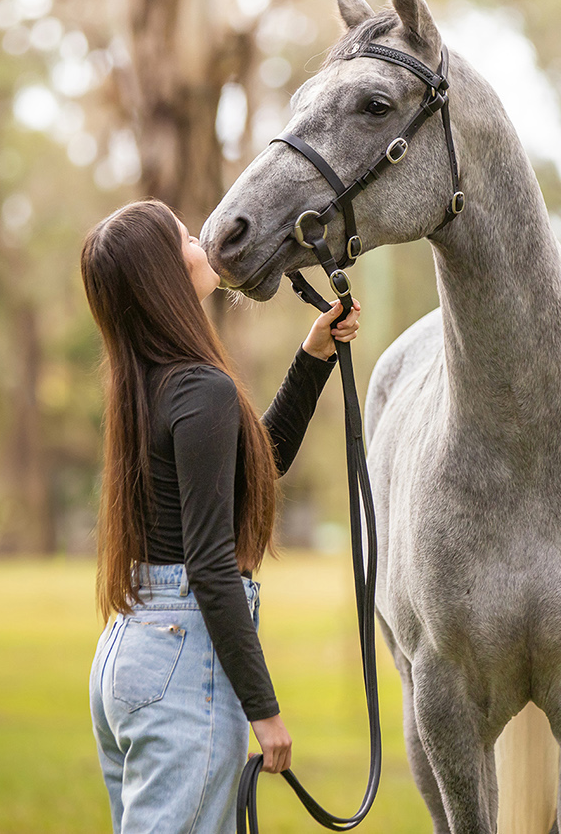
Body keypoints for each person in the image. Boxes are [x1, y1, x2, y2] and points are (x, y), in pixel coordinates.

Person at [79, 198, 361, 833]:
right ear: (161, 276)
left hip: (131, 652)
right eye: (183, 236)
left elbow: (252, 472)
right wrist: (264, 710)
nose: (199, 238)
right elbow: (209, 564)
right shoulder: (197, 388)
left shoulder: (147, 386)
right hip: (181, 659)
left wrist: (312, 357)